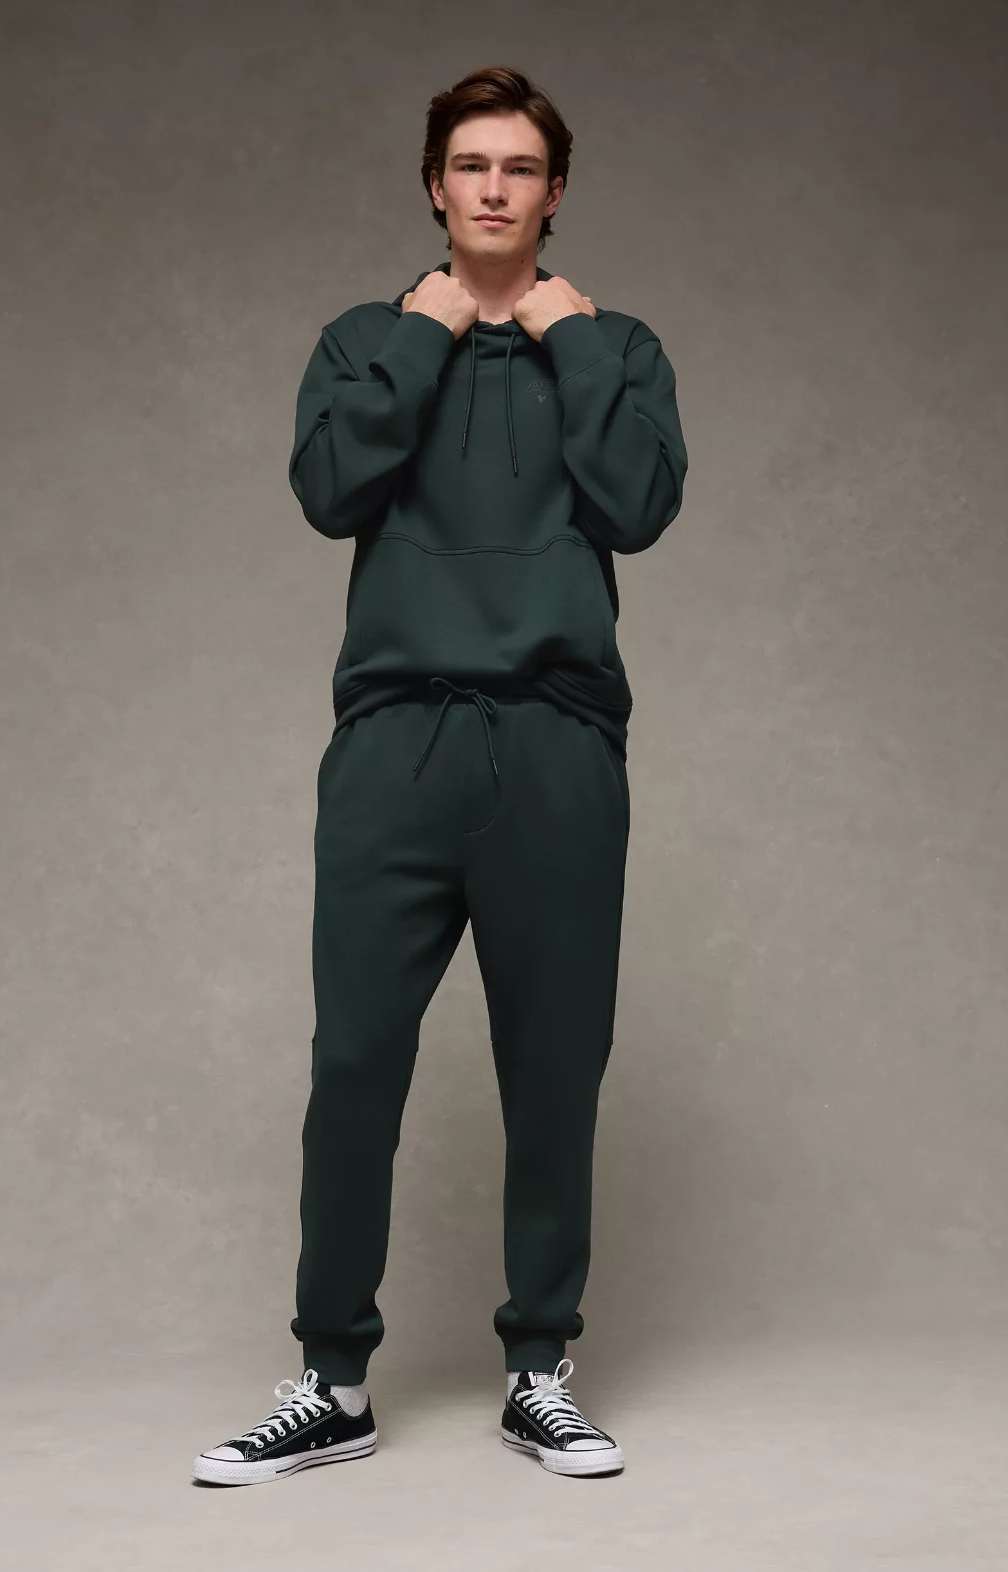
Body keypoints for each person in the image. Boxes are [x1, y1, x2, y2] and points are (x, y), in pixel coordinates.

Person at [192, 63, 686, 1486]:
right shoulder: (365, 339)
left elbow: (639, 507)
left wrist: (567, 337)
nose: (492, 188)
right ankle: (330, 1381)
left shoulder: (618, 346)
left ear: (553, 191)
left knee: (554, 1067)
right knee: (354, 1060)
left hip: (555, 741)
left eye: (518, 168)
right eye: (469, 164)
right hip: (394, 741)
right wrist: (426, 332)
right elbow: (329, 491)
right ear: (432, 184)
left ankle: (540, 1371)